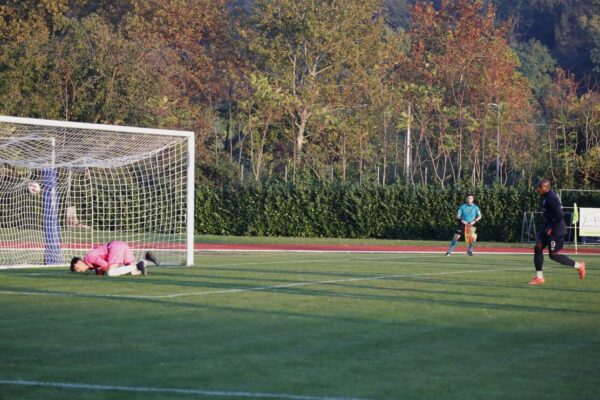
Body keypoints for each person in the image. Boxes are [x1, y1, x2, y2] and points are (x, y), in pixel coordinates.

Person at [529, 178, 586, 285]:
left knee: (553, 255)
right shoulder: (545, 196)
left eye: (539, 187)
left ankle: (579, 266)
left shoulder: (551, 198)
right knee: (538, 247)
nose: (537, 189)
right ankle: (539, 277)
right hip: (547, 227)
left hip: (556, 230)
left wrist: (551, 227)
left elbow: (560, 215)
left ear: (546, 187)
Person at [70, 240, 159, 276]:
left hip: (115, 248)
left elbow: (105, 265)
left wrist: (101, 271)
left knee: (111, 272)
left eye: (76, 267)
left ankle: (137, 265)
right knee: (133, 272)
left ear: (78, 262)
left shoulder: (89, 258)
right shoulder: (90, 264)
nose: (78, 270)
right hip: (121, 246)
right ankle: (146, 259)